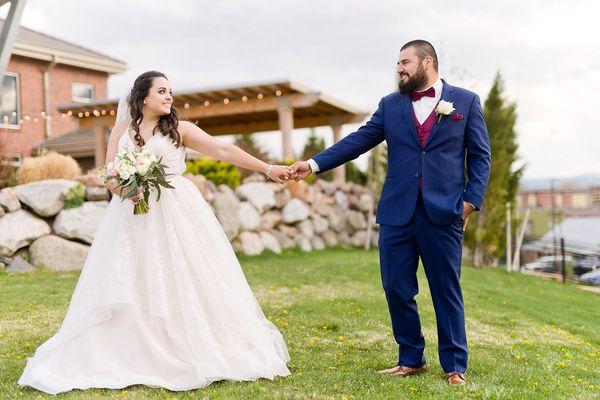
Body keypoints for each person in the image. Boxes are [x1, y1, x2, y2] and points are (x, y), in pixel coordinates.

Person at [18, 71, 292, 395]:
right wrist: (126, 190)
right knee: (134, 276)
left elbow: (223, 150)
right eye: (162, 91)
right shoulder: (120, 130)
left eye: (170, 91)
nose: (168, 96)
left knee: (183, 274)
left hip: (177, 211)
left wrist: (268, 168)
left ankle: (190, 344)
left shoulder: (179, 130)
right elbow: (109, 173)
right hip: (132, 214)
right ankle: (130, 348)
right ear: (143, 96)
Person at [290, 40, 491, 385]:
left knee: (446, 289)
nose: (399, 69)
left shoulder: (466, 102)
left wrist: (470, 202)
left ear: (427, 62)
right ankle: (411, 358)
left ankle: (455, 365)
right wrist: (312, 164)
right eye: (397, 64)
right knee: (396, 287)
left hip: (444, 213)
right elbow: (357, 141)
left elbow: (481, 156)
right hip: (397, 212)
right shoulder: (391, 105)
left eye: (405, 62)